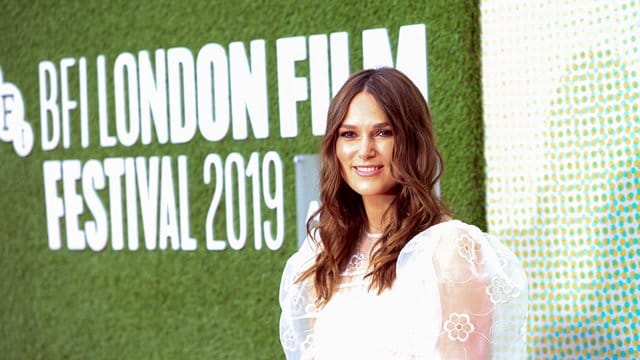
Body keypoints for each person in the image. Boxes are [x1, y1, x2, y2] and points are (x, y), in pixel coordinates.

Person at [279, 67, 528, 359]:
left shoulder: (450, 250)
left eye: (383, 133)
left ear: (412, 141)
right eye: (349, 134)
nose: (364, 150)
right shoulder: (322, 254)